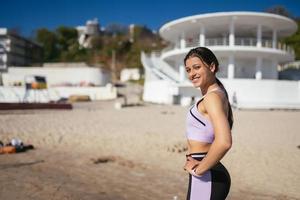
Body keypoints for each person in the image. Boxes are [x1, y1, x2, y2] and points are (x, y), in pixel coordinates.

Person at [183, 47, 233, 200]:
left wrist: (198, 170)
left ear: (212, 67)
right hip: (208, 171)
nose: (192, 73)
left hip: (206, 173)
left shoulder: (212, 98)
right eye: (188, 69)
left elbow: (224, 142)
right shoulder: (218, 94)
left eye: (197, 67)